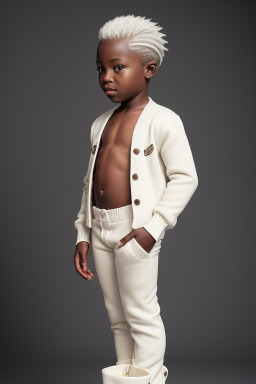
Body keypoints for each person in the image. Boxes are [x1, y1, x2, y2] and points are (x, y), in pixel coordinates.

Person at [73, 14, 198, 384]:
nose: (106, 77)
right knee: (118, 318)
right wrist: (83, 232)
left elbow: (186, 177)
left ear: (149, 69)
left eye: (117, 67)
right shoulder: (99, 123)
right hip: (101, 229)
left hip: (135, 229)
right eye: (100, 68)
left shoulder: (164, 121)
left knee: (141, 314)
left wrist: (152, 228)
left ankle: (150, 381)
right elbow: (88, 183)